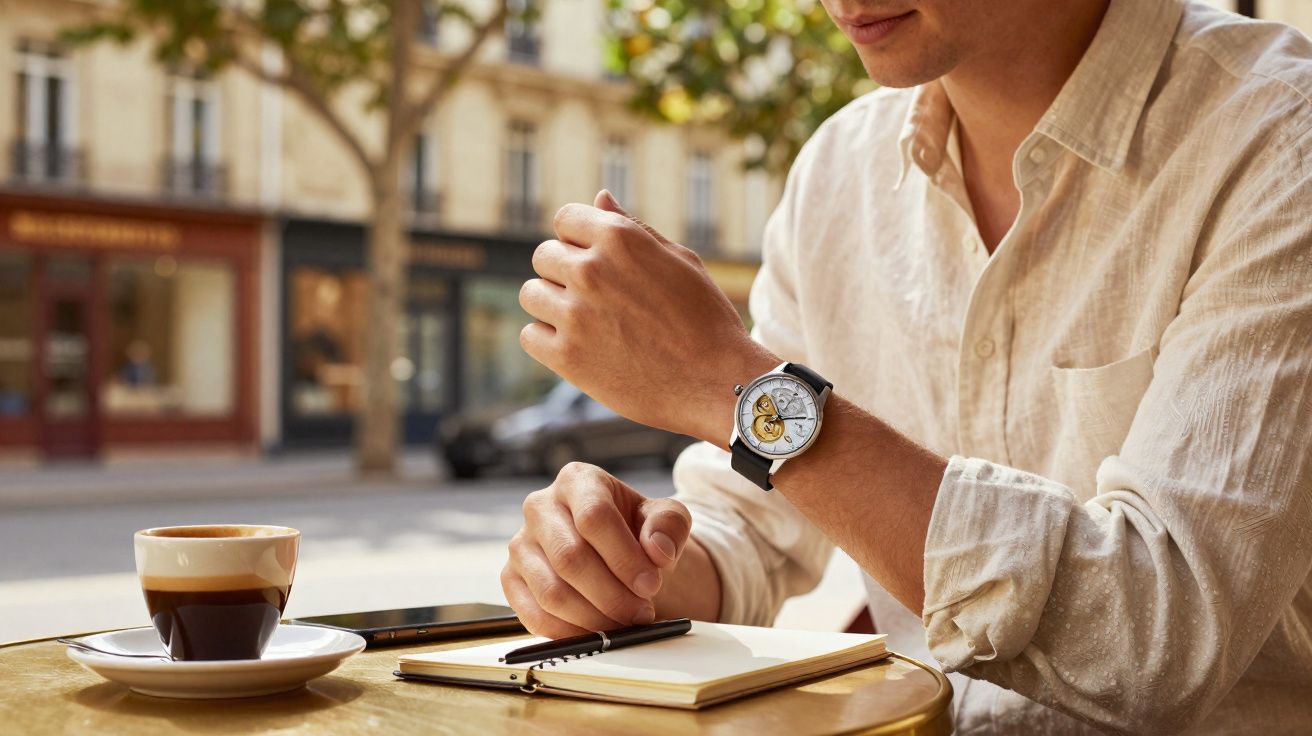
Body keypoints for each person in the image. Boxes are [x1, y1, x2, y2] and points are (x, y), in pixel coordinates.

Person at [502, 0, 1312, 732]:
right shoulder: (837, 173)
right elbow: (754, 528)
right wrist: (621, 569)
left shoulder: (1280, 136)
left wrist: (733, 383)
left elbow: (1157, 636)